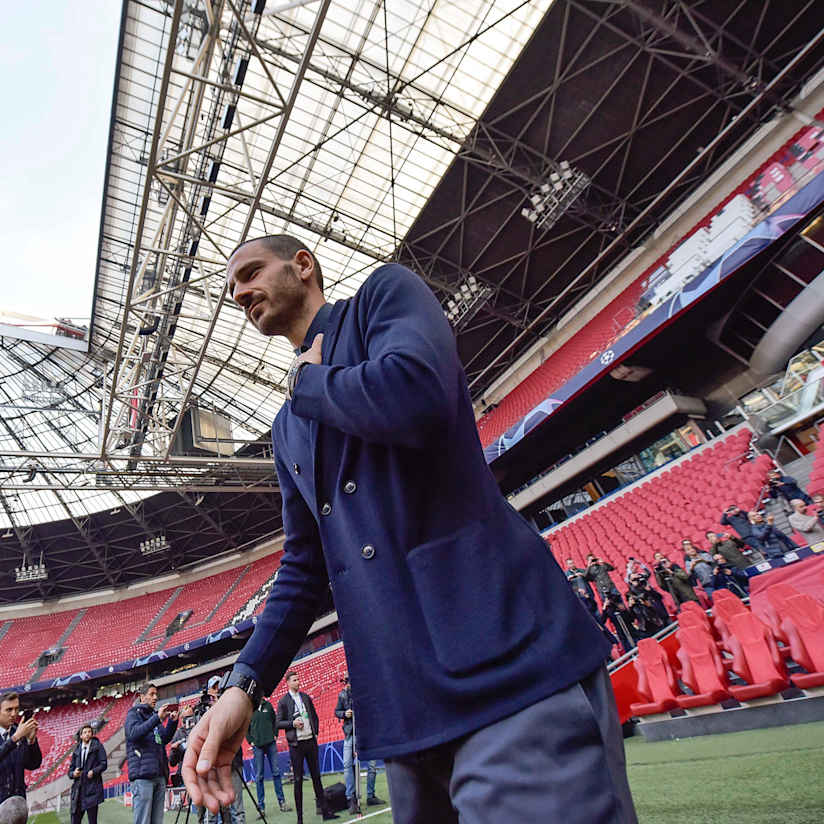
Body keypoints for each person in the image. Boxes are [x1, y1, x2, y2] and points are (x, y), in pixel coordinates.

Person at [181, 235, 636, 824]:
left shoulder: (382, 298)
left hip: (503, 664)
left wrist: (308, 385)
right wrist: (244, 685)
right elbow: (304, 567)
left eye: (250, 272)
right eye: (231, 287)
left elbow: (415, 393)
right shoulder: (285, 428)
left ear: (302, 265)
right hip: (404, 710)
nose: (240, 292)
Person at [275, 672, 336, 823]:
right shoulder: (283, 701)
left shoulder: (305, 697)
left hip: (310, 741)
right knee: (298, 780)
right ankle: (300, 818)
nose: (298, 682)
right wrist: (293, 723)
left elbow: (314, 716)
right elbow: (277, 723)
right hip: (296, 745)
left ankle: (325, 812)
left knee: (317, 778)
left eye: (298, 679)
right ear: (288, 683)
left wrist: (315, 732)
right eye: (295, 680)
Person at [125, 683, 178, 824]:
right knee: (143, 820)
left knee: (157, 821)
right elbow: (133, 734)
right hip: (143, 776)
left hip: (159, 774)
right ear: (142, 697)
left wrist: (172, 722)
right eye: (152, 694)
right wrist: (156, 719)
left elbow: (163, 739)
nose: (155, 697)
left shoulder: (154, 716)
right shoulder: (133, 714)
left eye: (156, 694)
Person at [334, 674, 384, 814]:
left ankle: (370, 795)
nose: (350, 686)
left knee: (372, 765)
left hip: (367, 732)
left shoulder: (365, 693)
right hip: (350, 733)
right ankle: (351, 798)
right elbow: (336, 712)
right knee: (347, 764)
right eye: (349, 683)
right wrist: (345, 714)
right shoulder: (343, 695)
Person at [247, 696, 290, 814]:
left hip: (271, 744)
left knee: (276, 773)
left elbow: (275, 721)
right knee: (259, 777)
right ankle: (261, 808)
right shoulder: (249, 708)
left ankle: (282, 802)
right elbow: (246, 727)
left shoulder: (268, 706)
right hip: (258, 746)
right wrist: (250, 741)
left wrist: (275, 734)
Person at [0, 693, 41, 808]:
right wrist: (14, 739)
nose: (14, 714)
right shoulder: (17, 734)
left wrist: (31, 741)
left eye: (16, 709)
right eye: (9, 710)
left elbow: (33, 764)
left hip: (18, 804)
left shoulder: (18, 731)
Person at [68, 724, 107, 824]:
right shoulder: (76, 750)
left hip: (92, 790)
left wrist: (94, 772)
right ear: (81, 736)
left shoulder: (98, 746)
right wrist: (74, 774)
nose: (87, 734)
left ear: (92, 734)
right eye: (85, 732)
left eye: (89, 732)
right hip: (78, 792)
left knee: (92, 821)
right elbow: (69, 771)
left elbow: (104, 764)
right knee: (74, 821)